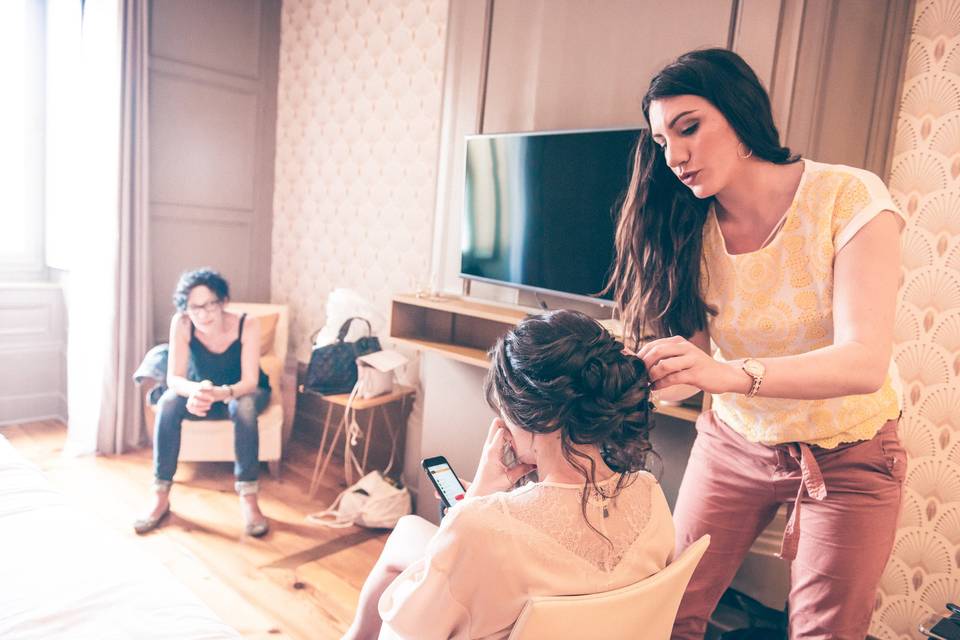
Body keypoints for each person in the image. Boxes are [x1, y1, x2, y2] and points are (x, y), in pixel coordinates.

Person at [606, 48, 906, 639]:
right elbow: (693, 362)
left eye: (689, 127)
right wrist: (655, 375)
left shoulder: (849, 198)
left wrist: (727, 374)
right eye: (663, 142)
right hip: (735, 442)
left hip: (849, 453)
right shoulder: (686, 227)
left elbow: (865, 361)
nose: (676, 156)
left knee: (825, 632)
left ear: (740, 114)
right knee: (666, 609)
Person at [343, 309, 675, 640]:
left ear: (535, 417)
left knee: (403, 559)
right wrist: (482, 504)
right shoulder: (650, 495)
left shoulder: (479, 528)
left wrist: (472, 507)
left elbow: (409, 628)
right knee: (407, 530)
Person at [133, 268, 272, 537]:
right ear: (186, 309)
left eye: (211, 305)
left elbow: (250, 382)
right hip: (201, 391)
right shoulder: (182, 323)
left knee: (241, 406)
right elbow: (174, 378)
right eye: (195, 307)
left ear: (223, 302)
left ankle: (249, 497)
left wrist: (220, 392)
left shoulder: (247, 324)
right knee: (168, 402)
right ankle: (160, 495)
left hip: (241, 390)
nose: (204, 314)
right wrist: (197, 391)